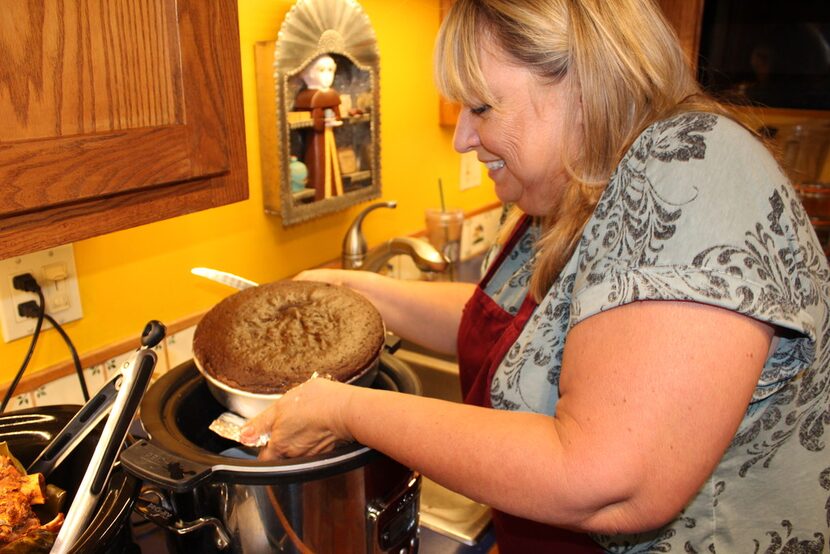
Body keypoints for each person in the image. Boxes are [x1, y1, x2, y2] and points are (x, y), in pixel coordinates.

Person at [242, 0, 830, 551]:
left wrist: (343, 409)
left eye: (481, 107)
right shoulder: (578, 192)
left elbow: (605, 480)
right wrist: (353, 292)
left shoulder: (693, 165)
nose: (464, 138)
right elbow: (509, 326)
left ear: (583, 81)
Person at [294, 54, 344, 200]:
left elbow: (337, 112)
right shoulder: (309, 96)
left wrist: (334, 120)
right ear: (308, 74)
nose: (327, 75)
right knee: (319, 164)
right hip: (316, 140)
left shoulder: (331, 94)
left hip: (329, 136)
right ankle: (322, 193)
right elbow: (315, 121)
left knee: (333, 165)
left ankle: (335, 191)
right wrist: (323, 121)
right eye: (321, 70)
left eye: (330, 70)